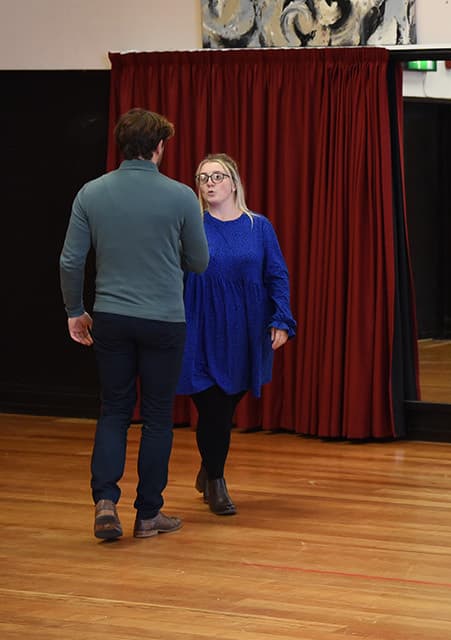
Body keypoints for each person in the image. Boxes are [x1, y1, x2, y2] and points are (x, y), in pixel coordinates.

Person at [59, 108, 209, 541]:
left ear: (121, 146)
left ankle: (105, 502)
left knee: (114, 411)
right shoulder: (181, 196)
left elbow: (71, 260)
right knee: (159, 417)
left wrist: (74, 310)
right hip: (164, 320)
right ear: (159, 148)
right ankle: (148, 515)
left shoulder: (91, 193)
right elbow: (199, 261)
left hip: (110, 318)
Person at [177, 154, 297, 515]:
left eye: (217, 175)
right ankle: (216, 482)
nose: (209, 183)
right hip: (199, 327)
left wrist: (282, 318)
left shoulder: (258, 226)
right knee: (212, 406)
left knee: (226, 403)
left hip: (245, 329)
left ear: (234, 182)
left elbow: (276, 274)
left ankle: (207, 465)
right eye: (202, 177)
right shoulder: (191, 226)